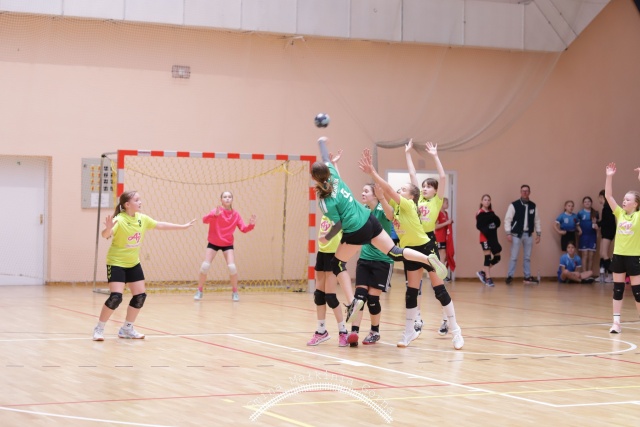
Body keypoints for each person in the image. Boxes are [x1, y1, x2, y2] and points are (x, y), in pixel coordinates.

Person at [312, 137, 447, 331]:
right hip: (369, 219)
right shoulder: (334, 175)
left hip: (355, 229)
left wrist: (327, 237)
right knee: (394, 251)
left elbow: (339, 223)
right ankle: (428, 259)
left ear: (315, 179)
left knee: (337, 264)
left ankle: (352, 302)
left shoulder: (325, 203)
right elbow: (326, 158)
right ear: (328, 172)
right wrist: (322, 143)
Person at [359, 144, 464, 350]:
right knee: (411, 292)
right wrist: (381, 196)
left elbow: (389, 189)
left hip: (425, 247)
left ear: (412, 196)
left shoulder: (408, 205)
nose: (400, 190)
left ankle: (456, 331)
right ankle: (409, 331)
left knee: (439, 290)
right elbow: (389, 212)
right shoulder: (398, 208)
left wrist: (372, 172)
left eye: (404, 189)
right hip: (409, 252)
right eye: (400, 189)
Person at [92, 190, 196, 341]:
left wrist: (183, 226)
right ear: (127, 204)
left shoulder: (142, 219)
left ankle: (127, 328)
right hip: (116, 263)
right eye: (136, 200)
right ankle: (99, 329)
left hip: (133, 263)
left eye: (139, 199)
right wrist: (108, 228)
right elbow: (105, 235)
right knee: (116, 297)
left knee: (140, 296)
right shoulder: (119, 219)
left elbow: (160, 225)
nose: (140, 202)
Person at [404, 139, 449, 337]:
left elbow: (442, 176)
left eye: (429, 187)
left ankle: (446, 318)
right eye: (423, 186)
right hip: (415, 241)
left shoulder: (437, 201)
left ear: (436, 190)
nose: (424, 188)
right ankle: (417, 318)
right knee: (413, 284)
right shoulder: (418, 199)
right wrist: (408, 153)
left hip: (429, 241)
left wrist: (435, 156)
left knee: (437, 283)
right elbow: (412, 174)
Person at [308, 150, 352, 347]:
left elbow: (338, 184)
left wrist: (328, 236)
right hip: (323, 251)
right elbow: (337, 181)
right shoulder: (326, 195)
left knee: (330, 295)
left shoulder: (330, 203)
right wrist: (333, 163)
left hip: (334, 252)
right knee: (319, 295)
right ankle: (321, 331)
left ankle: (343, 331)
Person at [347, 183, 395, 347]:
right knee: (359, 297)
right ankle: (354, 332)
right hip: (365, 259)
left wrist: (382, 197)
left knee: (373, 299)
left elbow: (391, 215)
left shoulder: (382, 210)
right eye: (362, 190)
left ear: (375, 195)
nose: (363, 193)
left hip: (382, 261)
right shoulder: (363, 211)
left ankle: (375, 331)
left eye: (366, 191)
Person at [194, 191, 256, 302]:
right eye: (225, 197)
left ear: (232, 199)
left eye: (229, 197)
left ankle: (235, 292)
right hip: (213, 242)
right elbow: (204, 220)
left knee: (232, 267)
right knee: (205, 266)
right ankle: (199, 290)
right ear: (221, 200)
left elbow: (243, 229)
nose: (227, 198)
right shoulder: (216, 211)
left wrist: (251, 225)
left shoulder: (235, 214)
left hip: (227, 244)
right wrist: (214, 215)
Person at [604, 163, 640, 334]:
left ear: (636, 204)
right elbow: (608, 196)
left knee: (638, 292)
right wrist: (609, 176)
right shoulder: (619, 213)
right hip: (618, 256)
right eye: (624, 199)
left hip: (634, 257)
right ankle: (616, 323)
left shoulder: (638, 216)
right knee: (618, 289)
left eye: (628, 199)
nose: (624, 201)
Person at [504, 184, 542, 285]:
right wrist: (508, 233)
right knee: (514, 257)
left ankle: (527, 276)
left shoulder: (533, 206)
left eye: (527, 191)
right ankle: (510, 276)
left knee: (527, 257)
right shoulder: (514, 205)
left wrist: (538, 234)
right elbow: (507, 220)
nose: (525, 192)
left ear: (529, 192)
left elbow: (537, 220)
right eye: (523, 191)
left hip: (528, 234)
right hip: (516, 235)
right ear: (520, 192)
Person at [475, 194, 502, 287]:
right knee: (487, 257)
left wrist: (492, 222)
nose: (487, 201)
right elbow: (480, 225)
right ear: (482, 201)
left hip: (493, 238)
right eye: (485, 200)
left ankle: (483, 272)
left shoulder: (491, 212)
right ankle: (488, 278)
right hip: (485, 238)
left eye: (488, 200)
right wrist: (489, 225)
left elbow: (497, 222)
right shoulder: (480, 213)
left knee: (497, 257)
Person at [576, 196, 599, 274]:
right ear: (583, 203)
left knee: (591, 256)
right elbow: (577, 224)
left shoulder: (595, 213)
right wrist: (579, 230)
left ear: (591, 203)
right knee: (585, 255)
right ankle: (584, 274)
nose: (587, 203)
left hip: (592, 236)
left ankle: (589, 274)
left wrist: (595, 225)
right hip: (583, 236)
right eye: (585, 202)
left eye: (589, 201)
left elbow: (597, 226)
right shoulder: (580, 213)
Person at [597, 189, 616, 283]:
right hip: (605, 233)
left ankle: (612, 275)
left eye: (599, 198)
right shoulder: (606, 208)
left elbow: (607, 222)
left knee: (604, 254)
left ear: (602, 197)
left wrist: (598, 224)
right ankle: (602, 274)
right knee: (601, 253)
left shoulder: (607, 208)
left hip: (608, 233)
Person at [434, 197, 454, 282]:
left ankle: (439, 274)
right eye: (446, 203)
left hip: (445, 237)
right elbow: (435, 226)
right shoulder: (438, 213)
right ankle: (440, 275)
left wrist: (449, 223)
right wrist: (447, 223)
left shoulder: (446, 213)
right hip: (439, 237)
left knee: (444, 257)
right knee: (442, 256)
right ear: (441, 204)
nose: (448, 204)